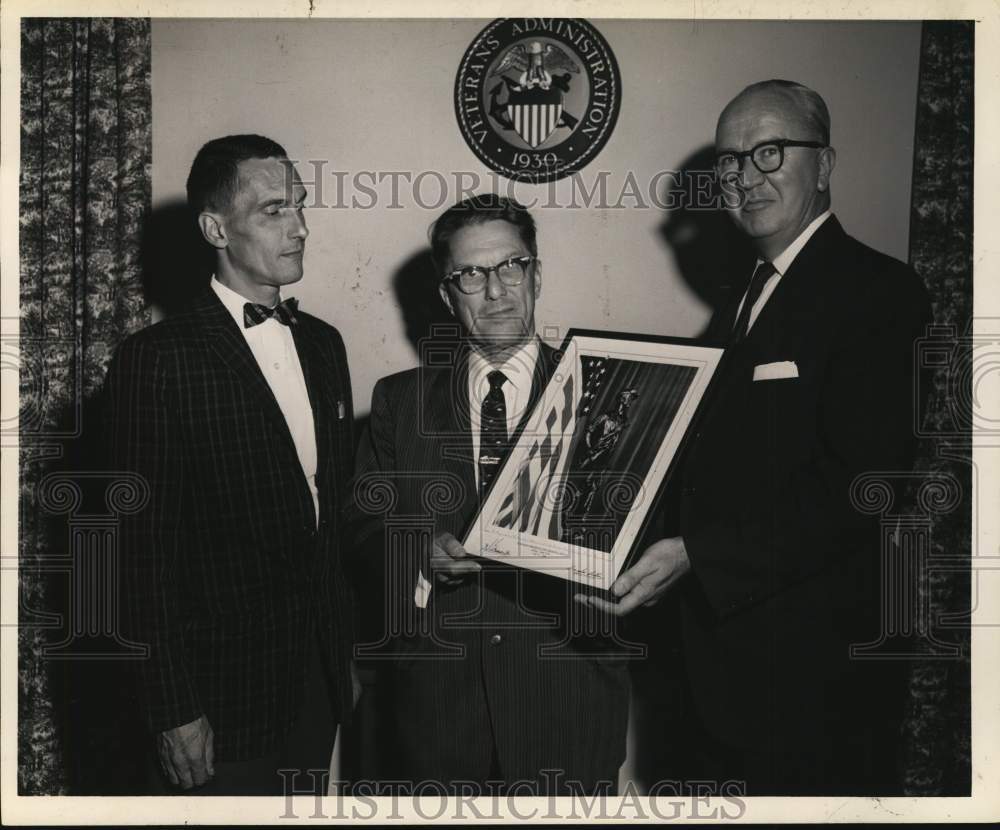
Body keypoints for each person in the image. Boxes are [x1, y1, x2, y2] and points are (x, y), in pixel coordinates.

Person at [582, 80, 932, 794]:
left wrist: (698, 555)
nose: (744, 175)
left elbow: (867, 486)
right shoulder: (751, 294)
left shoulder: (878, 292)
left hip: (816, 681)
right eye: (729, 161)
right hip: (732, 672)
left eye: (769, 151)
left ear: (825, 164)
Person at [347, 195, 630, 795]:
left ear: (536, 274)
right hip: (435, 720)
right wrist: (420, 553)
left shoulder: (606, 394)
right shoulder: (399, 402)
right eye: (472, 274)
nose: (497, 290)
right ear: (447, 295)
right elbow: (363, 529)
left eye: (512, 266)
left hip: (567, 708)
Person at [104, 134, 358, 795]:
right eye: (274, 210)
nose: (300, 226)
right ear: (215, 228)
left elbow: (330, 520)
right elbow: (138, 555)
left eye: (299, 205)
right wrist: (173, 708)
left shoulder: (326, 347)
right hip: (217, 701)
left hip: (317, 682)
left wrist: (344, 656)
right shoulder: (156, 360)